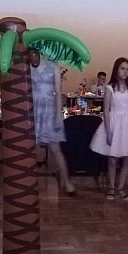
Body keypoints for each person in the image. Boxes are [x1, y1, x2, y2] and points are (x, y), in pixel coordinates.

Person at [90, 58, 128, 201]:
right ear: (116, 70)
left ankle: (121, 188)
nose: (125, 71)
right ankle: (111, 187)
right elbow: (106, 110)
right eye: (122, 68)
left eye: (127, 69)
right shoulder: (110, 88)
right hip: (114, 123)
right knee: (113, 158)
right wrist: (108, 131)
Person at [29, 48, 76, 195]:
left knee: (55, 149)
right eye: (30, 54)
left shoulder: (53, 67)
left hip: (49, 112)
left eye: (35, 54)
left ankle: (67, 182)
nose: (33, 57)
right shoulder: (25, 68)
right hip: (32, 111)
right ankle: (27, 183)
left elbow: (58, 93)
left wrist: (58, 116)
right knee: (28, 149)